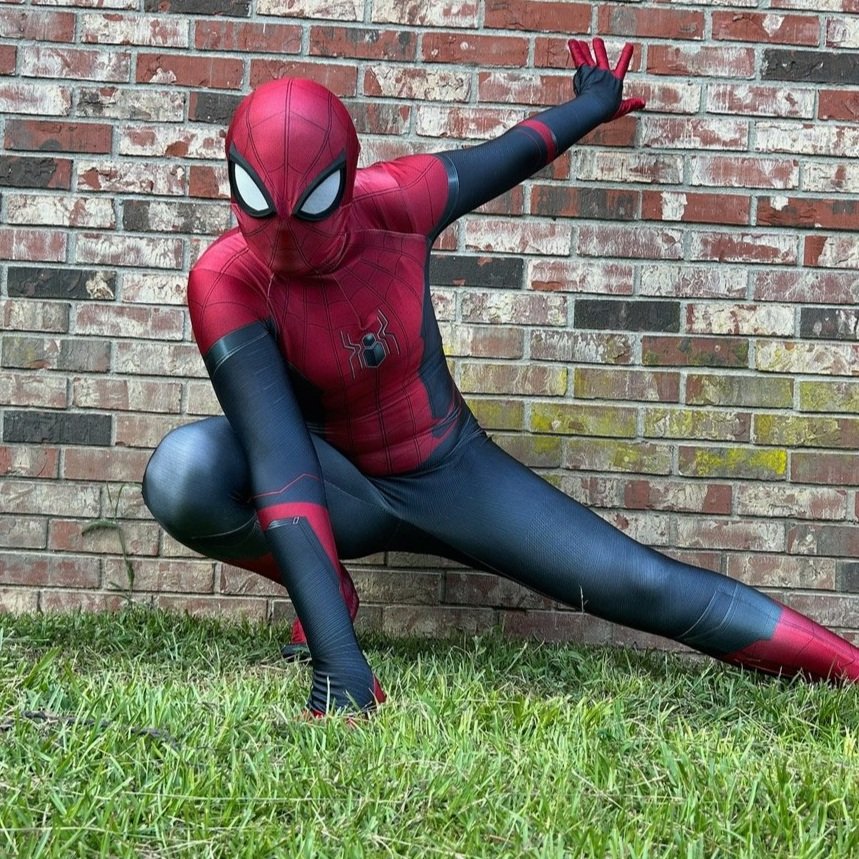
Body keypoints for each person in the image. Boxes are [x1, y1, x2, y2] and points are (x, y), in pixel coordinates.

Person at [143, 38, 859, 716]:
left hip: (452, 471)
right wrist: (341, 667)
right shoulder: (225, 281)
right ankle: (326, 586)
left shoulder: (399, 200)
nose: (288, 238)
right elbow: (281, 465)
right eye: (266, 209)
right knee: (185, 470)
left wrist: (591, 102)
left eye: (312, 208)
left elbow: (511, 152)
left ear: (347, 181)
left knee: (640, 582)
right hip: (340, 488)